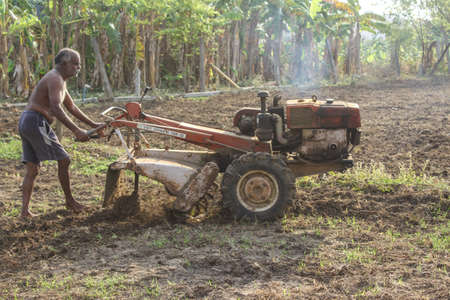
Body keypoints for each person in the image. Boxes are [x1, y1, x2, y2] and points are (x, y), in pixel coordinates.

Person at [18, 48, 103, 218]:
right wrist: (77, 130)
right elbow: (56, 108)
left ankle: (24, 211)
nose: (78, 68)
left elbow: (71, 107)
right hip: (36, 121)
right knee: (64, 159)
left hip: (27, 121)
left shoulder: (60, 80)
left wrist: (94, 124)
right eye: (75, 64)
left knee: (32, 169)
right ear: (64, 63)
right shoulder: (55, 79)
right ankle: (69, 201)